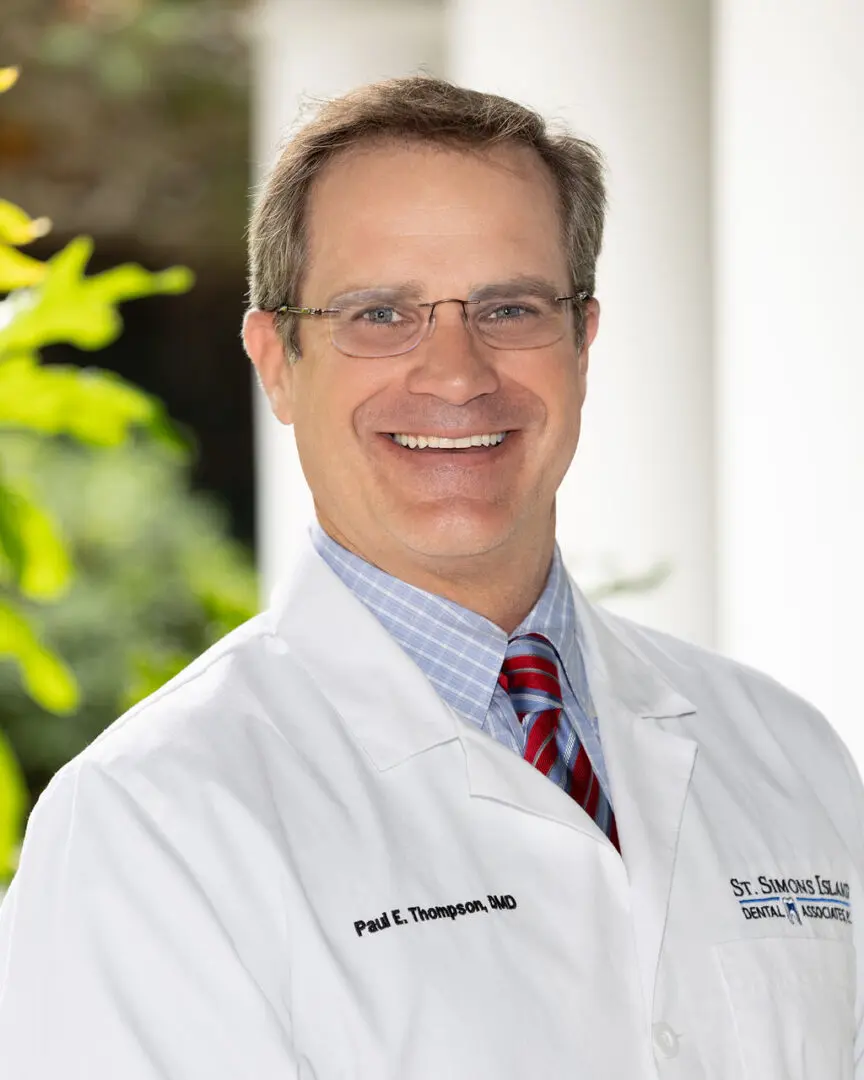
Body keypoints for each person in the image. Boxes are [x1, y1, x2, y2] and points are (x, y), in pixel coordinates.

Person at [0, 75, 862, 1080]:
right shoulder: (149, 818)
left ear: (583, 340)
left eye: (510, 307)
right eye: (379, 313)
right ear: (277, 359)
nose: (457, 373)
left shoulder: (785, 751)